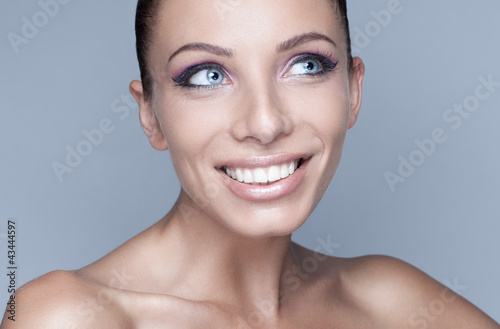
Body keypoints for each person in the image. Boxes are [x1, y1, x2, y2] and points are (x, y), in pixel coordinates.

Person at [2, 0, 499, 327]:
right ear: (150, 114)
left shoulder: (391, 303)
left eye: (307, 65)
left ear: (353, 90)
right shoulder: (65, 316)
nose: (264, 123)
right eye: (207, 75)